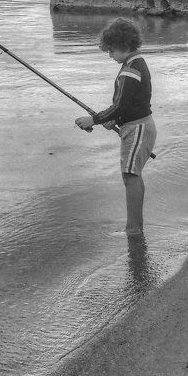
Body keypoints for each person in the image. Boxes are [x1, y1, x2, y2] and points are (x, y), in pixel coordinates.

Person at [75, 18, 156, 234]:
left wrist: (93, 120)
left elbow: (120, 105)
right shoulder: (135, 65)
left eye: (111, 50)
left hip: (138, 129)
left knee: (131, 176)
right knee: (132, 175)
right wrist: (115, 120)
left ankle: (133, 229)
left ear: (125, 45)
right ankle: (135, 226)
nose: (110, 55)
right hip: (136, 126)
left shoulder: (131, 70)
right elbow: (128, 105)